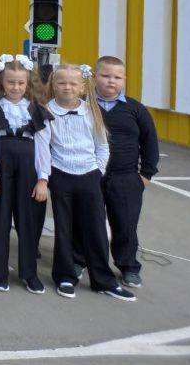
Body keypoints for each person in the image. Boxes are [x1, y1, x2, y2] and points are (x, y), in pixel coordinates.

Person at [35, 65, 135, 301]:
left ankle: (103, 280)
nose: (67, 87)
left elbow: (102, 145)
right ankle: (65, 276)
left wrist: (97, 171)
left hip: (89, 175)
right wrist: (45, 177)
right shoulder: (46, 111)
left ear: (82, 87)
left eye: (72, 83)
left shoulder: (92, 111)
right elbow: (43, 149)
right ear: (53, 85)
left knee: (97, 228)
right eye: (61, 83)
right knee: (64, 228)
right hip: (61, 175)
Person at [0, 54, 51, 294]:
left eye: (20, 83)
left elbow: (43, 146)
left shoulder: (36, 109)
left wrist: (42, 179)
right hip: (2, 166)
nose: (16, 87)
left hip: (29, 168)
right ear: (1, 82)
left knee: (27, 221)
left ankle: (29, 273)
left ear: (28, 83)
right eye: (10, 83)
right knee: (0, 219)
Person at [92, 56, 159, 288]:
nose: (111, 81)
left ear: (124, 80)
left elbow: (150, 141)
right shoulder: (84, 105)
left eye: (117, 77)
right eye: (106, 75)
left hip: (126, 178)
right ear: (94, 76)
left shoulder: (135, 109)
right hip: (90, 176)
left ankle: (128, 266)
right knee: (89, 222)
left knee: (125, 224)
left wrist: (146, 175)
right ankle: (81, 260)